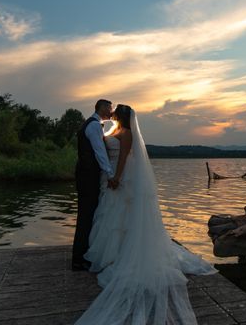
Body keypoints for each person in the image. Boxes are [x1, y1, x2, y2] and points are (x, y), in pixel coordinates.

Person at [75, 104, 217, 325]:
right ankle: (111, 253)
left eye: (115, 111)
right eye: (110, 109)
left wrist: (117, 178)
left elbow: (122, 158)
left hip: (119, 177)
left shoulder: (128, 134)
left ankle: (119, 254)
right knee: (109, 216)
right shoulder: (112, 130)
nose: (112, 112)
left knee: (120, 216)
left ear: (121, 115)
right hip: (108, 176)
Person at [71, 98, 114, 271]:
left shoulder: (91, 124)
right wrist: (110, 174)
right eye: (109, 108)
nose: (111, 112)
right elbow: (99, 152)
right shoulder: (95, 126)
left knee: (86, 215)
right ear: (102, 108)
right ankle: (78, 259)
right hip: (88, 176)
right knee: (85, 217)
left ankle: (82, 255)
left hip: (85, 174)